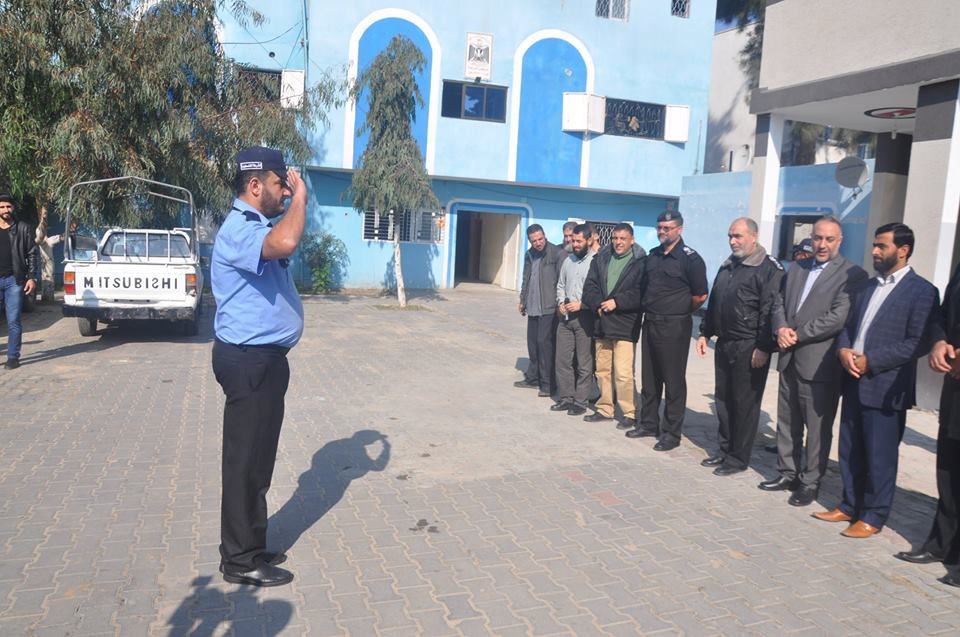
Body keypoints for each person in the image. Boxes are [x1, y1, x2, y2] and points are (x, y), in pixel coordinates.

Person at [211, 147, 307, 586]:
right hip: (249, 361)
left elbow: (282, 238)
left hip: (262, 361)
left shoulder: (259, 226)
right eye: (278, 184)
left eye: (287, 186)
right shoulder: (239, 229)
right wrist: (301, 198)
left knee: (258, 463)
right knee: (245, 464)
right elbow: (287, 243)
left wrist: (291, 200)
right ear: (254, 185)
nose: (284, 192)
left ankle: (251, 543)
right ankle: (239, 560)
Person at [812, 223, 939, 538]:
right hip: (853, 381)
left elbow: (918, 342)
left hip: (886, 387)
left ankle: (873, 515)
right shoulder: (867, 287)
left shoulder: (922, 291)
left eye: (882, 246)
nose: (874, 251)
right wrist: (843, 351)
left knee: (879, 456)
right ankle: (849, 505)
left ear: (903, 250)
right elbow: (848, 328)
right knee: (850, 449)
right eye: (874, 245)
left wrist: (873, 360)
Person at [762, 217, 868, 506]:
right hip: (789, 358)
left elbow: (838, 317)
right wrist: (780, 328)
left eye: (829, 239)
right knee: (788, 420)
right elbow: (779, 302)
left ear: (840, 240)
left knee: (817, 428)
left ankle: (810, 481)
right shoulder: (798, 267)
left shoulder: (852, 274)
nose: (822, 244)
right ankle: (787, 473)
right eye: (818, 238)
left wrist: (796, 334)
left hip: (820, 364)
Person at [696, 217, 783, 476]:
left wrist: (764, 346)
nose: (733, 241)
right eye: (730, 236)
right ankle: (724, 450)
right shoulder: (728, 265)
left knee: (744, 404)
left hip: (750, 347)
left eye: (738, 236)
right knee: (724, 400)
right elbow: (716, 301)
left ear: (753, 237)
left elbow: (770, 310)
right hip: (725, 343)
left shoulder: (769, 269)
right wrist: (705, 332)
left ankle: (737, 459)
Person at [894, 261, 960, 585]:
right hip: (955, 385)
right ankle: (942, 544)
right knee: (948, 469)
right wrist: (939, 341)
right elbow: (942, 314)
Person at [628, 211, 707, 451]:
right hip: (651, 322)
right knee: (649, 378)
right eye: (659, 227)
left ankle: (671, 434)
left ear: (679, 229)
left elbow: (700, 296)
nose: (662, 232)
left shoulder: (691, 259)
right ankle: (648, 423)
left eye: (667, 228)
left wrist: (678, 309)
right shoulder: (652, 256)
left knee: (673, 382)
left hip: (675, 326)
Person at [581, 223, 646, 427]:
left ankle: (630, 413)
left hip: (626, 324)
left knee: (623, 372)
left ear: (632, 240)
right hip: (602, 322)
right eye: (615, 238)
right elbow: (589, 286)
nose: (618, 242)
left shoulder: (641, 263)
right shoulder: (601, 258)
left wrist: (617, 302)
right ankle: (605, 408)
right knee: (602, 370)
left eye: (623, 238)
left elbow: (641, 292)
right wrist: (597, 304)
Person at [516, 224, 566, 397]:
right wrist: (523, 300)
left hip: (549, 308)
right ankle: (533, 377)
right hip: (533, 306)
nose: (538, 243)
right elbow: (526, 278)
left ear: (545, 236)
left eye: (540, 239)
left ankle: (548, 385)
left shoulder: (557, 253)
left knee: (544, 345)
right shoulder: (529, 254)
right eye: (534, 240)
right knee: (533, 345)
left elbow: (562, 281)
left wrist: (560, 303)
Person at [552, 224, 598, 416]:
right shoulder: (567, 260)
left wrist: (582, 304)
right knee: (562, 360)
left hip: (585, 318)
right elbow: (560, 285)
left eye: (579, 241)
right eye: (573, 241)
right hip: (565, 318)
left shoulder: (596, 262)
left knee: (584, 363)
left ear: (589, 240)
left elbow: (599, 291)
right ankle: (566, 398)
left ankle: (580, 402)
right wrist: (561, 302)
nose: (575, 244)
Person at [0, 195, 37, 370]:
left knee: (13, 320)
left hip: (14, 281)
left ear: (13, 208)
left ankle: (13, 357)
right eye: (2, 207)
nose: (5, 210)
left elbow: (32, 253)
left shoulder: (23, 228)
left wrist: (31, 277)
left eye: (8, 206)